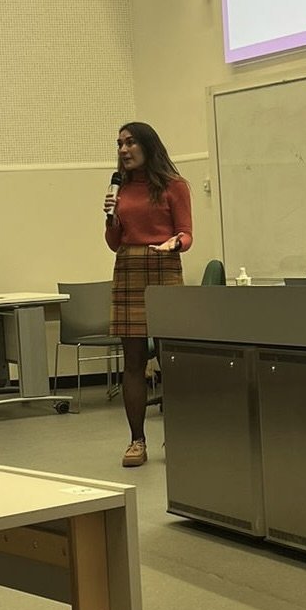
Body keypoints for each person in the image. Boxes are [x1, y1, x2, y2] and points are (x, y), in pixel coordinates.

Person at [103, 121, 192, 466]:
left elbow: (186, 234)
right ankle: (137, 441)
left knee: (172, 359)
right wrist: (110, 218)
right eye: (120, 144)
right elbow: (114, 243)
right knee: (134, 362)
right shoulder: (120, 189)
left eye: (131, 143)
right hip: (128, 268)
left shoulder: (175, 185)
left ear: (148, 146)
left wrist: (175, 243)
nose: (124, 150)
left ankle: (182, 435)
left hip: (164, 266)